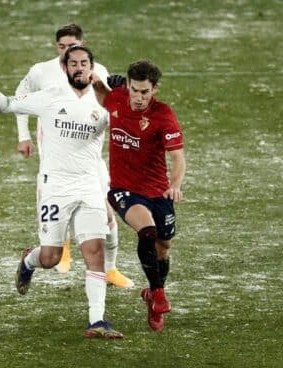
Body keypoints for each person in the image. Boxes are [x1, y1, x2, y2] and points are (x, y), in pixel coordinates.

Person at [0, 45, 123, 339]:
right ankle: (29, 260)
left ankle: (97, 321)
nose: (79, 68)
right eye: (74, 64)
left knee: (94, 252)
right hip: (55, 186)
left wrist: (123, 95)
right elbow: (5, 105)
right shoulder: (50, 97)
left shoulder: (105, 101)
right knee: (51, 258)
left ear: (92, 68)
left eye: (84, 63)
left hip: (89, 185)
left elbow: (131, 123)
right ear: (65, 68)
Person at [14, 24, 133, 288]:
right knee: (58, 227)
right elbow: (20, 98)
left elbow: (111, 107)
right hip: (55, 164)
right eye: (62, 47)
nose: (68, 52)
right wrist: (24, 135)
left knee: (107, 215)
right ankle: (54, 253)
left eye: (73, 46)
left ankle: (110, 269)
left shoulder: (96, 71)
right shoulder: (41, 72)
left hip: (90, 162)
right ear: (57, 47)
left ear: (83, 45)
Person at [92, 60, 186, 332]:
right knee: (146, 231)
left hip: (159, 192)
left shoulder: (163, 115)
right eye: (135, 90)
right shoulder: (118, 98)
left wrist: (175, 184)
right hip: (124, 190)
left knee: (163, 247)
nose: (139, 98)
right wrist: (98, 80)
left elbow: (178, 158)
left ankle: (152, 295)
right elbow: (100, 92)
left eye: (145, 92)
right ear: (129, 87)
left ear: (155, 89)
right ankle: (158, 293)